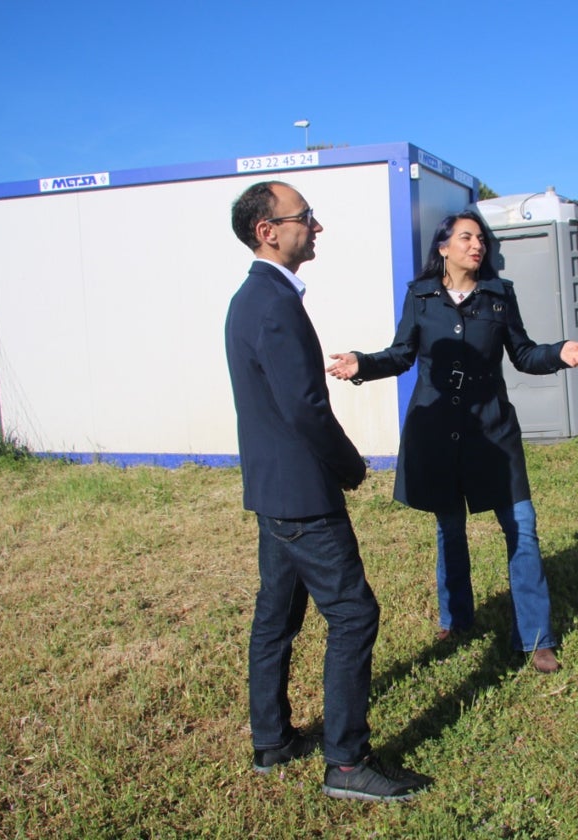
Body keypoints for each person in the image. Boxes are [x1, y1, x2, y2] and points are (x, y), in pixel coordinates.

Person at [224, 181, 431, 802]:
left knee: (277, 617)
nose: (316, 227)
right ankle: (345, 762)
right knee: (353, 614)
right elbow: (305, 407)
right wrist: (349, 464)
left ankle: (272, 740)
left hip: (273, 491)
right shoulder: (272, 304)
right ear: (269, 230)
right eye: (305, 218)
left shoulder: (254, 298)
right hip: (303, 497)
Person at [326, 211, 578, 673]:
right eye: (467, 238)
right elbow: (402, 354)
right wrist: (362, 363)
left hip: (493, 431)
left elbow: (525, 354)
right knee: (449, 528)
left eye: (481, 239)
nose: (478, 246)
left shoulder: (498, 294)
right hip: (437, 434)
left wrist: (558, 352)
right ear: (444, 247)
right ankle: (457, 618)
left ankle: (536, 636)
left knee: (522, 528)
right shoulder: (421, 295)